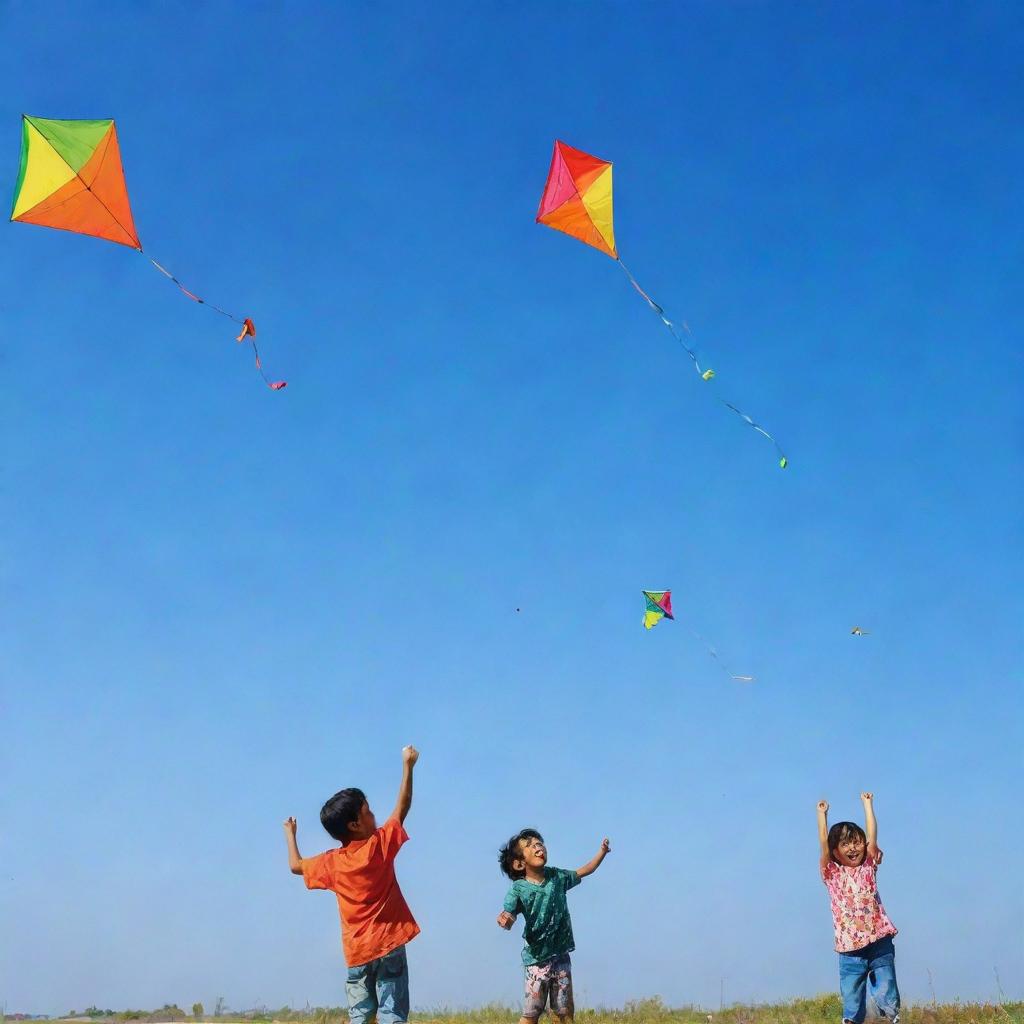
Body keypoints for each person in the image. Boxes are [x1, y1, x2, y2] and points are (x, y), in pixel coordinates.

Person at [283, 746, 421, 1024]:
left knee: (360, 1015)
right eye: (368, 812)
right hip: (388, 944)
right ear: (356, 824)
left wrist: (290, 835)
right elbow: (402, 807)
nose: (374, 817)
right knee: (392, 1012)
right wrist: (408, 766)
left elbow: (296, 866)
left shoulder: (332, 863)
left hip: (356, 952)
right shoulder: (379, 846)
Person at [496, 828, 610, 1024]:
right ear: (519, 863)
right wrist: (506, 920)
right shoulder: (519, 888)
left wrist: (601, 852)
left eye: (539, 843)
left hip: (561, 955)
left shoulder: (557, 878)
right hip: (536, 959)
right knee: (532, 1012)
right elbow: (509, 914)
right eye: (530, 846)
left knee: (564, 1011)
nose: (538, 847)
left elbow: (586, 870)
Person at [817, 793, 900, 1024]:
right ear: (835, 851)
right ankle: (853, 1020)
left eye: (856, 842)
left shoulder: (868, 866)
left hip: (879, 940)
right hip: (850, 948)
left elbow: (872, 837)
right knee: (852, 995)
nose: (853, 848)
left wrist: (868, 804)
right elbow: (823, 845)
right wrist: (822, 816)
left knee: (887, 987)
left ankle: (888, 1018)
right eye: (845, 844)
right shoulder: (832, 873)